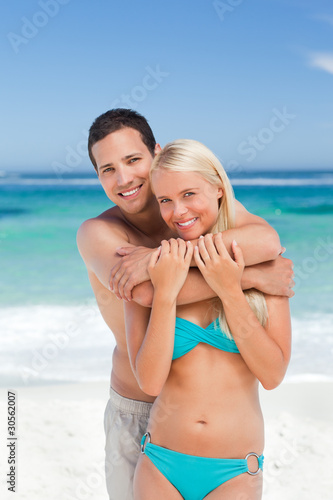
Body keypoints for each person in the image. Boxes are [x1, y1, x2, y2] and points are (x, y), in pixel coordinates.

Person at [76, 109, 295, 500]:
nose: (123, 179)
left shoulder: (189, 211)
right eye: (107, 169)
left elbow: (267, 241)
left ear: (156, 154)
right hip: (140, 406)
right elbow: (143, 294)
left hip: (218, 431)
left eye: (132, 160)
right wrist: (248, 276)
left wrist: (161, 262)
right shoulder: (101, 232)